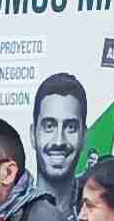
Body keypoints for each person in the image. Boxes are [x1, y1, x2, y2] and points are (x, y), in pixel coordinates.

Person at [28, 71, 93, 206]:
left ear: (84, 136)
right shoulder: (10, 216)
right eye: (49, 126)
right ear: (33, 134)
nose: (59, 141)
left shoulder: (102, 217)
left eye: (70, 127)